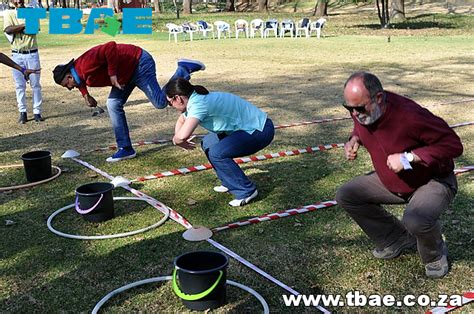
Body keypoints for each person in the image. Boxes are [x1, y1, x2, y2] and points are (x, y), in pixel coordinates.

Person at [335, 71, 463, 278]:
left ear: (378, 98)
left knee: (415, 219)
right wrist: (354, 139)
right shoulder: (363, 110)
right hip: (392, 181)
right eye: (348, 108)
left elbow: (453, 145)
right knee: (347, 195)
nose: (354, 114)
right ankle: (395, 239)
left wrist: (407, 159)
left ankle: (435, 256)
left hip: (432, 180)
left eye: (359, 108)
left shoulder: (410, 115)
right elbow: (359, 126)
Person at [52, 41, 205, 162]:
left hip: (138, 63)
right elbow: (81, 81)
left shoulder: (84, 64)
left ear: (69, 77)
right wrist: (85, 95)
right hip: (124, 76)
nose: (69, 88)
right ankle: (125, 148)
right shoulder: (78, 75)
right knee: (113, 103)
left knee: (160, 102)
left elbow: (109, 47)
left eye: (67, 85)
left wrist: (112, 75)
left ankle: (183, 69)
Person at [166, 77, 274, 207]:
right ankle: (229, 181)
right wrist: (178, 138)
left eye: (169, 103)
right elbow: (181, 121)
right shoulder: (194, 99)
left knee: (217, 152)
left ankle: (246, 191)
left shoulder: (199, 104)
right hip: (243, 129)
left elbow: (182, 135)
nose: (171, 106)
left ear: (178, 98)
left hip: (259, 130)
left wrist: (177, 140)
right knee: (208, 143)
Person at [3, 0, 44, 124]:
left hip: (32, 53)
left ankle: (37, 111)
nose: (18, 1)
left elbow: (33, 30)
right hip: (17, 54)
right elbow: (8, 30)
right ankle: (23, 112)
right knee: (19, 85)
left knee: (35, 84)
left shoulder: (32, 11)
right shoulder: (9, 13)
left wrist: (17, 28)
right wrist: (23, 25)